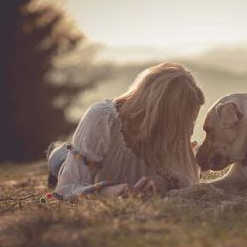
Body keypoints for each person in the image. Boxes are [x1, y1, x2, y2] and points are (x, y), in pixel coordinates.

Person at [46, 63, 204, 200]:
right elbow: (65, 189)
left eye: (191, 122)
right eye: (183, 123)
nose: (189, 131)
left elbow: (189, 177)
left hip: (100, 161)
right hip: (89, 166)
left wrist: (164, 181)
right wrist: (109, 191)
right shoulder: (103, 119)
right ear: (158, 113)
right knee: (61, 160)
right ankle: (55, 151)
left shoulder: (171, 135)